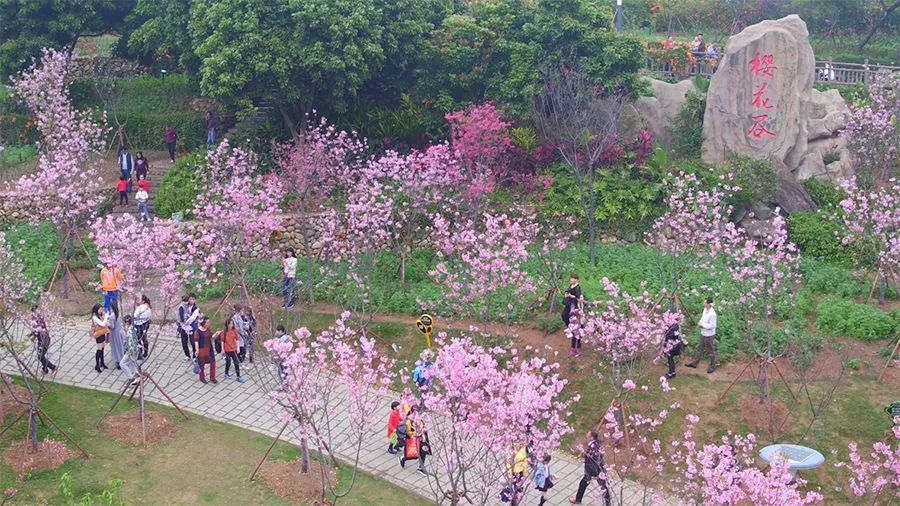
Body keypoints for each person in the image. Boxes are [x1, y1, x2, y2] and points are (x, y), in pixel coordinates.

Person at [569, 431, 611, 505]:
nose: (587, 436)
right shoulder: (598, 443)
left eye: (588, 435)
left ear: (591, 437)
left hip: (593, 469)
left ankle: (578, 499)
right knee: (603, 487)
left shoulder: (593, 446)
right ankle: (608, 503)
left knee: (584, 483)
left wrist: (585, 455)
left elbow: (592, 458)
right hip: (599, 469)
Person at [687, 297, 717, 373]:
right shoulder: (705, 310)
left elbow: (713, 326)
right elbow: (703, 318)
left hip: (709, 335)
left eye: (705, 302)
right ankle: (694, 363)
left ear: (709, 304)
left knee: (710, 351)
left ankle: (713, 366)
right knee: (699, 348)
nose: (704, 304)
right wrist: (700, 322)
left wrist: (702, 325)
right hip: (703, 333)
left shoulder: (712, 314)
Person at [30, 307, 56, 374]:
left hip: (43, 340)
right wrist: (32, 335)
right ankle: (45, 369)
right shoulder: (38, 318)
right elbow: (37, 330)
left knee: (40, 356)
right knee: (41, 355)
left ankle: (53, 367)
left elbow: (38, 329)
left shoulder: (37, 319)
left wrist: (33, 336)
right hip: (43, 339)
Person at [194, 316, 217, 384]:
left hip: (209, 348)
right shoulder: (197, 331)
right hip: (202, 349)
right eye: (207, 322)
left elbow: (211, 336)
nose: (208, 324)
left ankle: (212, 377)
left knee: (213, 362)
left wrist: (216, 334)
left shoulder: (208, 329)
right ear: (203, 323)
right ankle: (202, 377)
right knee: (202, 364)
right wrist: (197, 350)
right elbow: (196, 341)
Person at [120, 315, 141, 386]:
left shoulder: (129, 332)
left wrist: (129, 352)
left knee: (122, 363)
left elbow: (130, 343)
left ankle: (130, 378)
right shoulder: (133, 329)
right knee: (132, 364)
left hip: (131, 351)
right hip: (135, 350)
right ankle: (137, 378)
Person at [221, 318, 245, 382]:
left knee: (236, 362)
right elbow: (222, 341)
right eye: (230, 324)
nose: (231, 325)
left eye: (232, 324)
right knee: (228, 362)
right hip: (227, 350)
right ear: (227, 324)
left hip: (234, 349)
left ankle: (238, 376)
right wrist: (222, 349)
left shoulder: (234, 331)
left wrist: (238, 347)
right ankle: (226, 373)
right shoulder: (224, 332)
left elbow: (237, 339)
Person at [90, 304, 111, 373]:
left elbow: (106, 323)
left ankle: (102, 362)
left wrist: (105, 317)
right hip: (98, 334)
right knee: (99, 349)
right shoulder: (94, 317)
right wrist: (106, 317)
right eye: (100, 309)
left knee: (102, 348)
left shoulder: (101, 315)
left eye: (102, 309)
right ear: (96, 310)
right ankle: (97, 365)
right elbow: (102, 324)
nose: (101, 311)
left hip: (102, 332)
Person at [177, 295, 198, 361]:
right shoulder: (182, 306)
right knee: (184, 342)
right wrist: (179, 328)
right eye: (190, 299)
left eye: (193, 299)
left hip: (192, 327)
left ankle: (195, 356)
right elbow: (179, 317)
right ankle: (187, 355)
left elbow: (195, 317)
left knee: (193, 342)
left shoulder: (195, 308)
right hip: (183, 327)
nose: (191, 301)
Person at [663, 309, 683, 379]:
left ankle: (670, 373)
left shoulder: (673, 325)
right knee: (670, 358)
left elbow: (671, 335)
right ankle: (673, 372)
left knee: (670, 358)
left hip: (671, 344)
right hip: (673, 344)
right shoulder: (674, 324)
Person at [133, 294, 152, 360]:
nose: (138, 300)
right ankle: (145, 352)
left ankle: (140, 353)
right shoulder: (148, 306)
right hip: (145, 324)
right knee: (143, 338)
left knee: (138, 339)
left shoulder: (142, 307)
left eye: (139, 299)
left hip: (139, 324)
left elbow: (135, 315)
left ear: (143, 301)